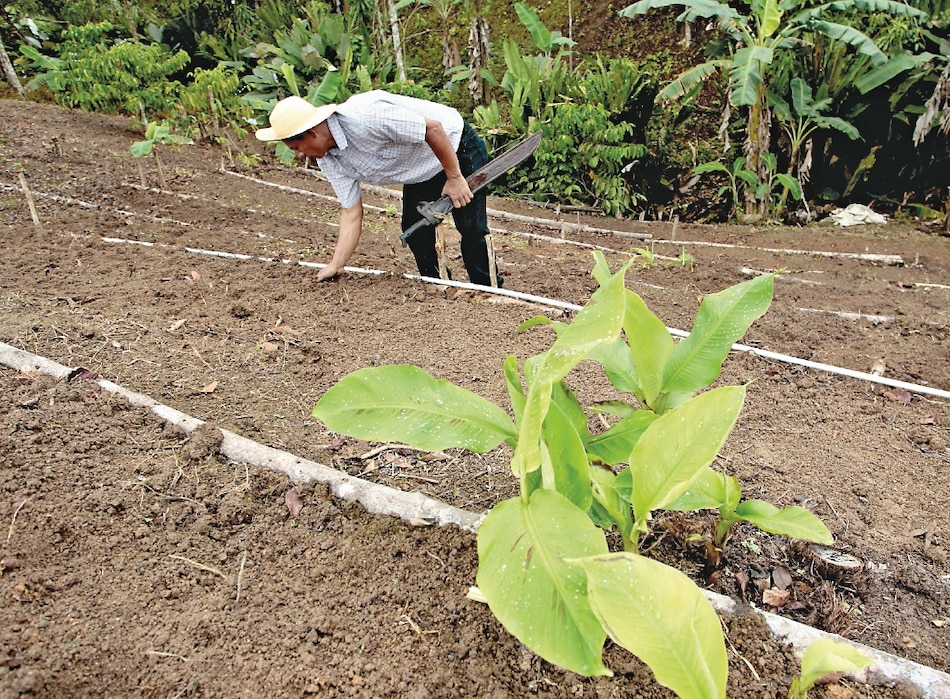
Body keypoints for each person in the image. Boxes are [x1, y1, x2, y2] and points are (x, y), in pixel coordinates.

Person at [255, 91, 501, 286]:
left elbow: (433, 129)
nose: (298, 156)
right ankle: (439, 287)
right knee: (415, 232)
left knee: (470, 227)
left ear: (312, 133)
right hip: (420, 166)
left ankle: (488, 290)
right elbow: (351, 212)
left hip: (455, 145)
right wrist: (336, 264)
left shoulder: (366, 117)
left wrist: (455, 177)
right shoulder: (329, 160)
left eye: (297, 148)